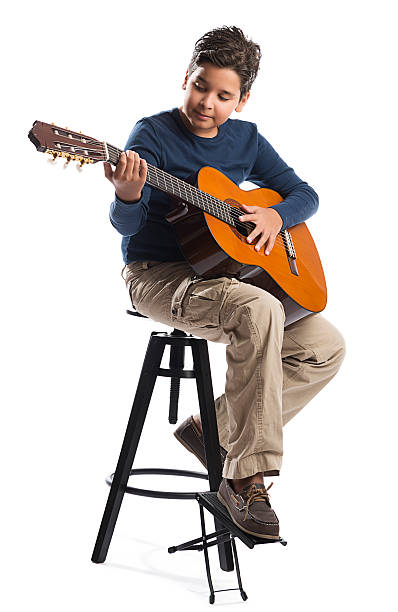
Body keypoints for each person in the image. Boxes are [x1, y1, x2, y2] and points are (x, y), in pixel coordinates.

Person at [104, 25, 346, 540]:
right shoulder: (151, 136)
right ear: (185, 78)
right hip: (158, 277)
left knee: (324, 346)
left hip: (223, 276)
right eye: (199, 86)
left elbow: (304, 194)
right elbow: (127, 228)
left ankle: (210, 433)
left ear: (242, 98)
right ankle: (244, 480)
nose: (206, 103)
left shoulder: (247, 139)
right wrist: (127, 194)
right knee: (260, 309)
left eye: (223, 95)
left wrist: (276, 218)